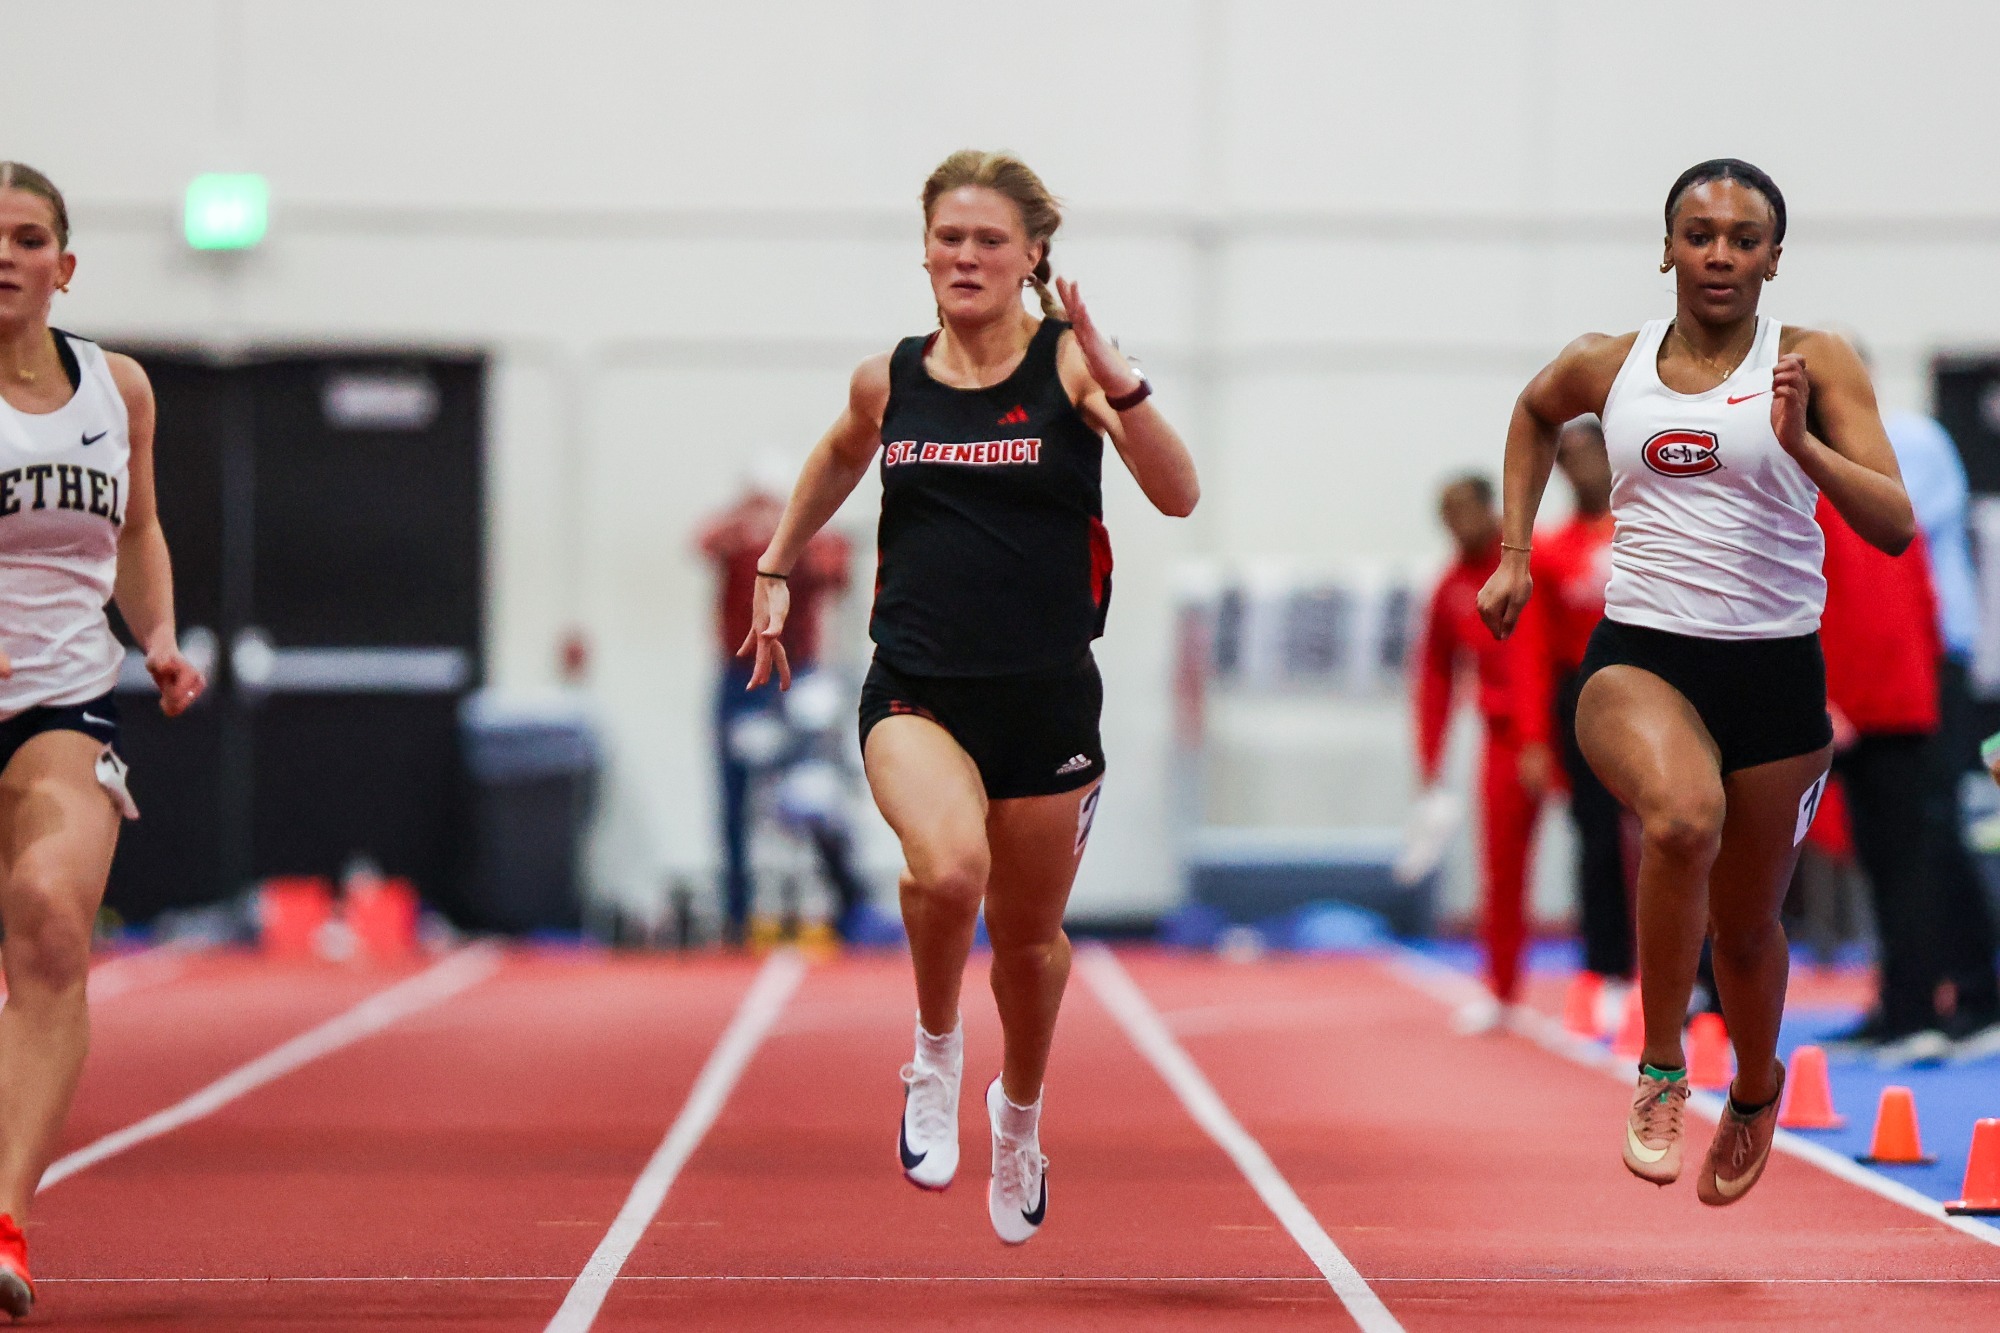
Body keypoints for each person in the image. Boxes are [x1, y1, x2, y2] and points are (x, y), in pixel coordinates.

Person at [739, 150, 1198, 1244]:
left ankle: (1020, 1115)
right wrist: (776, 558)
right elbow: (839, 452)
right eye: (948, 238)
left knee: (1028, 942)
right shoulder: (887, 378)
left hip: (1044, 702)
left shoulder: (1074, 371)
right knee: (947, 870)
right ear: (925, 249)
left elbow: (1177, 495)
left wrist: (1115, 372)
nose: (964, 257)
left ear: (1031, 254)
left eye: (988, 240)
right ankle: (933, 1057)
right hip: (916, 688)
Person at [1478, 159, 1914, 1207]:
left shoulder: (1811, 361)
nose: (1718, 253)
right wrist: (1515, 552)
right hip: (1641, 656)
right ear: (1665, 246)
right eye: (1698, 232)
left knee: (1749, 924)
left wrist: (1800, 442)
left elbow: (1892, 524)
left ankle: (1754, 1090)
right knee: (1678, 818)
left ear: (1771, 257)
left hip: (1773, 670)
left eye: (1742, 237)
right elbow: (1533, 412)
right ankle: (1661, 1070)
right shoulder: (1605, 364)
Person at [0, 162, 206, 1316]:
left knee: (47, 923)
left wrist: (162, 636)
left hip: (61, 696)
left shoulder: (115, 389)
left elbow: (139, 528)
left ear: (62, 266)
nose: (5, 257)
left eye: (28, 238)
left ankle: (6, 1214)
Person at [696, 474, 875, 943]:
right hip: (743, 679)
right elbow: (704, 541)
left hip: (798, 676)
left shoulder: (813, 536)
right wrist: (749, 526)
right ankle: (737, 915)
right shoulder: (735, 535)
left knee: (817, 795)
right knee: (735, 801)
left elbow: (838, 573)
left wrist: (790, 535)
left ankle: (844, 903)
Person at [1878, 406, 2000, 1057]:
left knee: (1936, 823)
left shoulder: (1910, 440)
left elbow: (1889, 534)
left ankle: (1979, 996)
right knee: (1893, 835)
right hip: (1885, 659)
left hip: (1934, 654)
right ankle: (1904, 999)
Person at [1413, 474, 1554, 1034]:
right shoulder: (1449, 586)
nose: (1455, 525)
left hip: (1568, 719)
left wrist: (1538, 739)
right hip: (1504, 736)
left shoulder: (1530, 563)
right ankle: (1502, 989)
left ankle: (1630, 980)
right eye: (1444, 515)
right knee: (1501, 863)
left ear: (1488, 508)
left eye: (1462, 511)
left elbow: (1536, 655)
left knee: (1625, 851)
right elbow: (1435, 675)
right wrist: (1430, 760)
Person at [1817, 495, 1951, 1063]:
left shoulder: (1818, 505)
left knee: (1899, 865)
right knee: (1894, 861)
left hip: (1868, 702)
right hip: (1900, 696)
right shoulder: (1892, 504)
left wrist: (1825, 697)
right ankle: (1902, 1006)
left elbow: (1831, 603)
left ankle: (1914, 1012)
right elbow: (1924, 605)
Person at [1521, 418, 1634, 989]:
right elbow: (1536, 653)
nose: (1582, 469)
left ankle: (1681, 968)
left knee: (1673, 830)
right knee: (1596, 834)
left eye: (1593, 455)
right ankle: (1605, 965)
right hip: (1582, 695)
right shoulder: (1549, 550)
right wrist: (1536, 739)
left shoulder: (1646, 529)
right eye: (1570, 459)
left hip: (1649, 686)